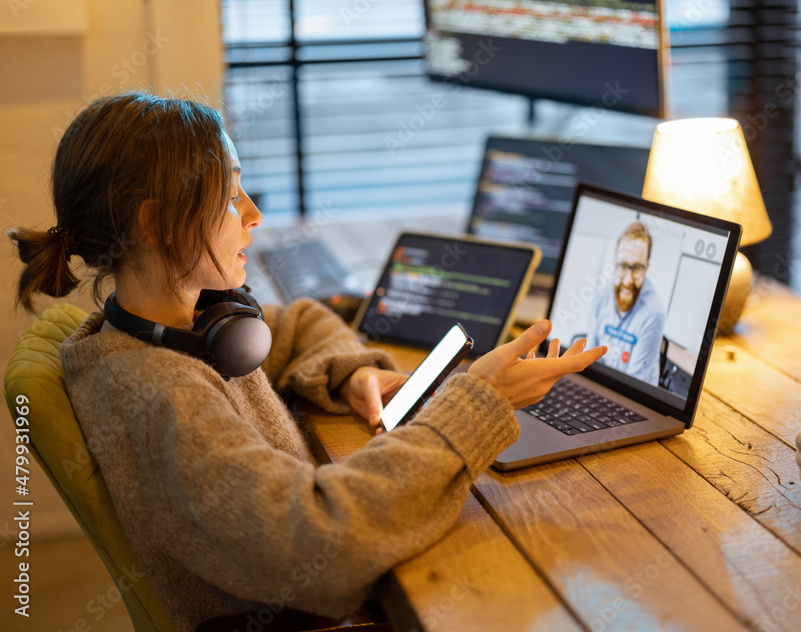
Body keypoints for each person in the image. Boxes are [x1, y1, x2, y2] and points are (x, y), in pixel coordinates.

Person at [9, 92, 606, 631]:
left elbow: (298, 326)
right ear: (157, 223)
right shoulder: (159, 393)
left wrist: (354, 372)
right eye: (230, 195)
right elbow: (322, 541)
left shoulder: (183, 327)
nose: (253, 214)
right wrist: (480, 402)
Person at [588, 220, 664, 385]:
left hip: (632, 398)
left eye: (636, 268)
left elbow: (634, 386)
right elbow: (587, 359)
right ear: (614, 265)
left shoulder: (653, 314)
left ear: (646, 269)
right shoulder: (602, 297)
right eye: (623, 266)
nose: (628, 281)